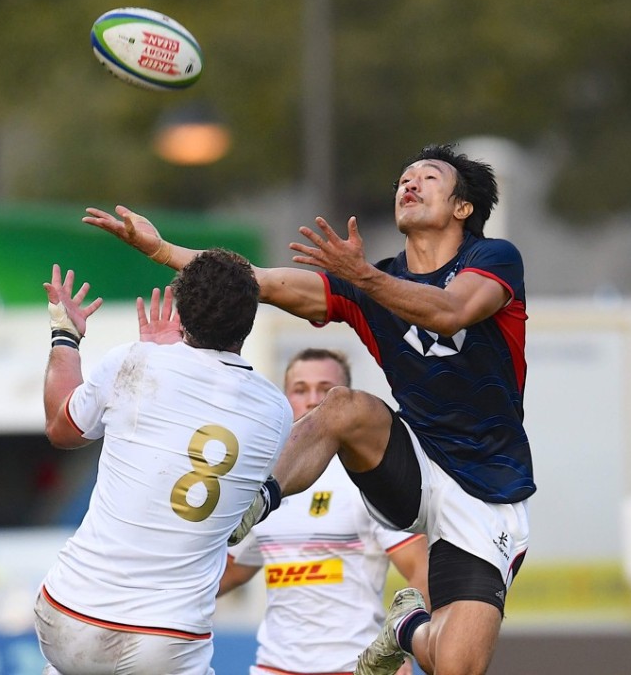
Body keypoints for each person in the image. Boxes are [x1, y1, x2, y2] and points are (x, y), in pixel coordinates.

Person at [82, 142, 534, 675]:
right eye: (403, 178)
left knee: (459, 667)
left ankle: (405, 628)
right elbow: (259, 282)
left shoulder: (493, 259)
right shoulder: (367, 283)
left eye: (429, 177)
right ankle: (254, 504)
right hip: (411, 462)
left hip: (486, 488)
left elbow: (453, 313)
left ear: (462, 207)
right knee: (341, 406)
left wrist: (362, 276)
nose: (409, 184)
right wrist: (164, 251)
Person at [35, 249, 294, 675]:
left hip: (67, 616)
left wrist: (66, 334)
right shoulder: (275, 412)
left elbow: (59, 428)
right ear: (249, 320)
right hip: (165, 639)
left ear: (182, 309)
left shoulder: (134, 361)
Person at [218, 348, 429, 675]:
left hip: (356, 667)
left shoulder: (370, 480)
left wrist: (403, 646)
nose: (313, 399)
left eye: (326, 391)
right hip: (274, 667)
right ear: (286, 398)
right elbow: (230, 572)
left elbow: (422, 570)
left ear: (344, 402)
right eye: (300, 389)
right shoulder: (264, 481)